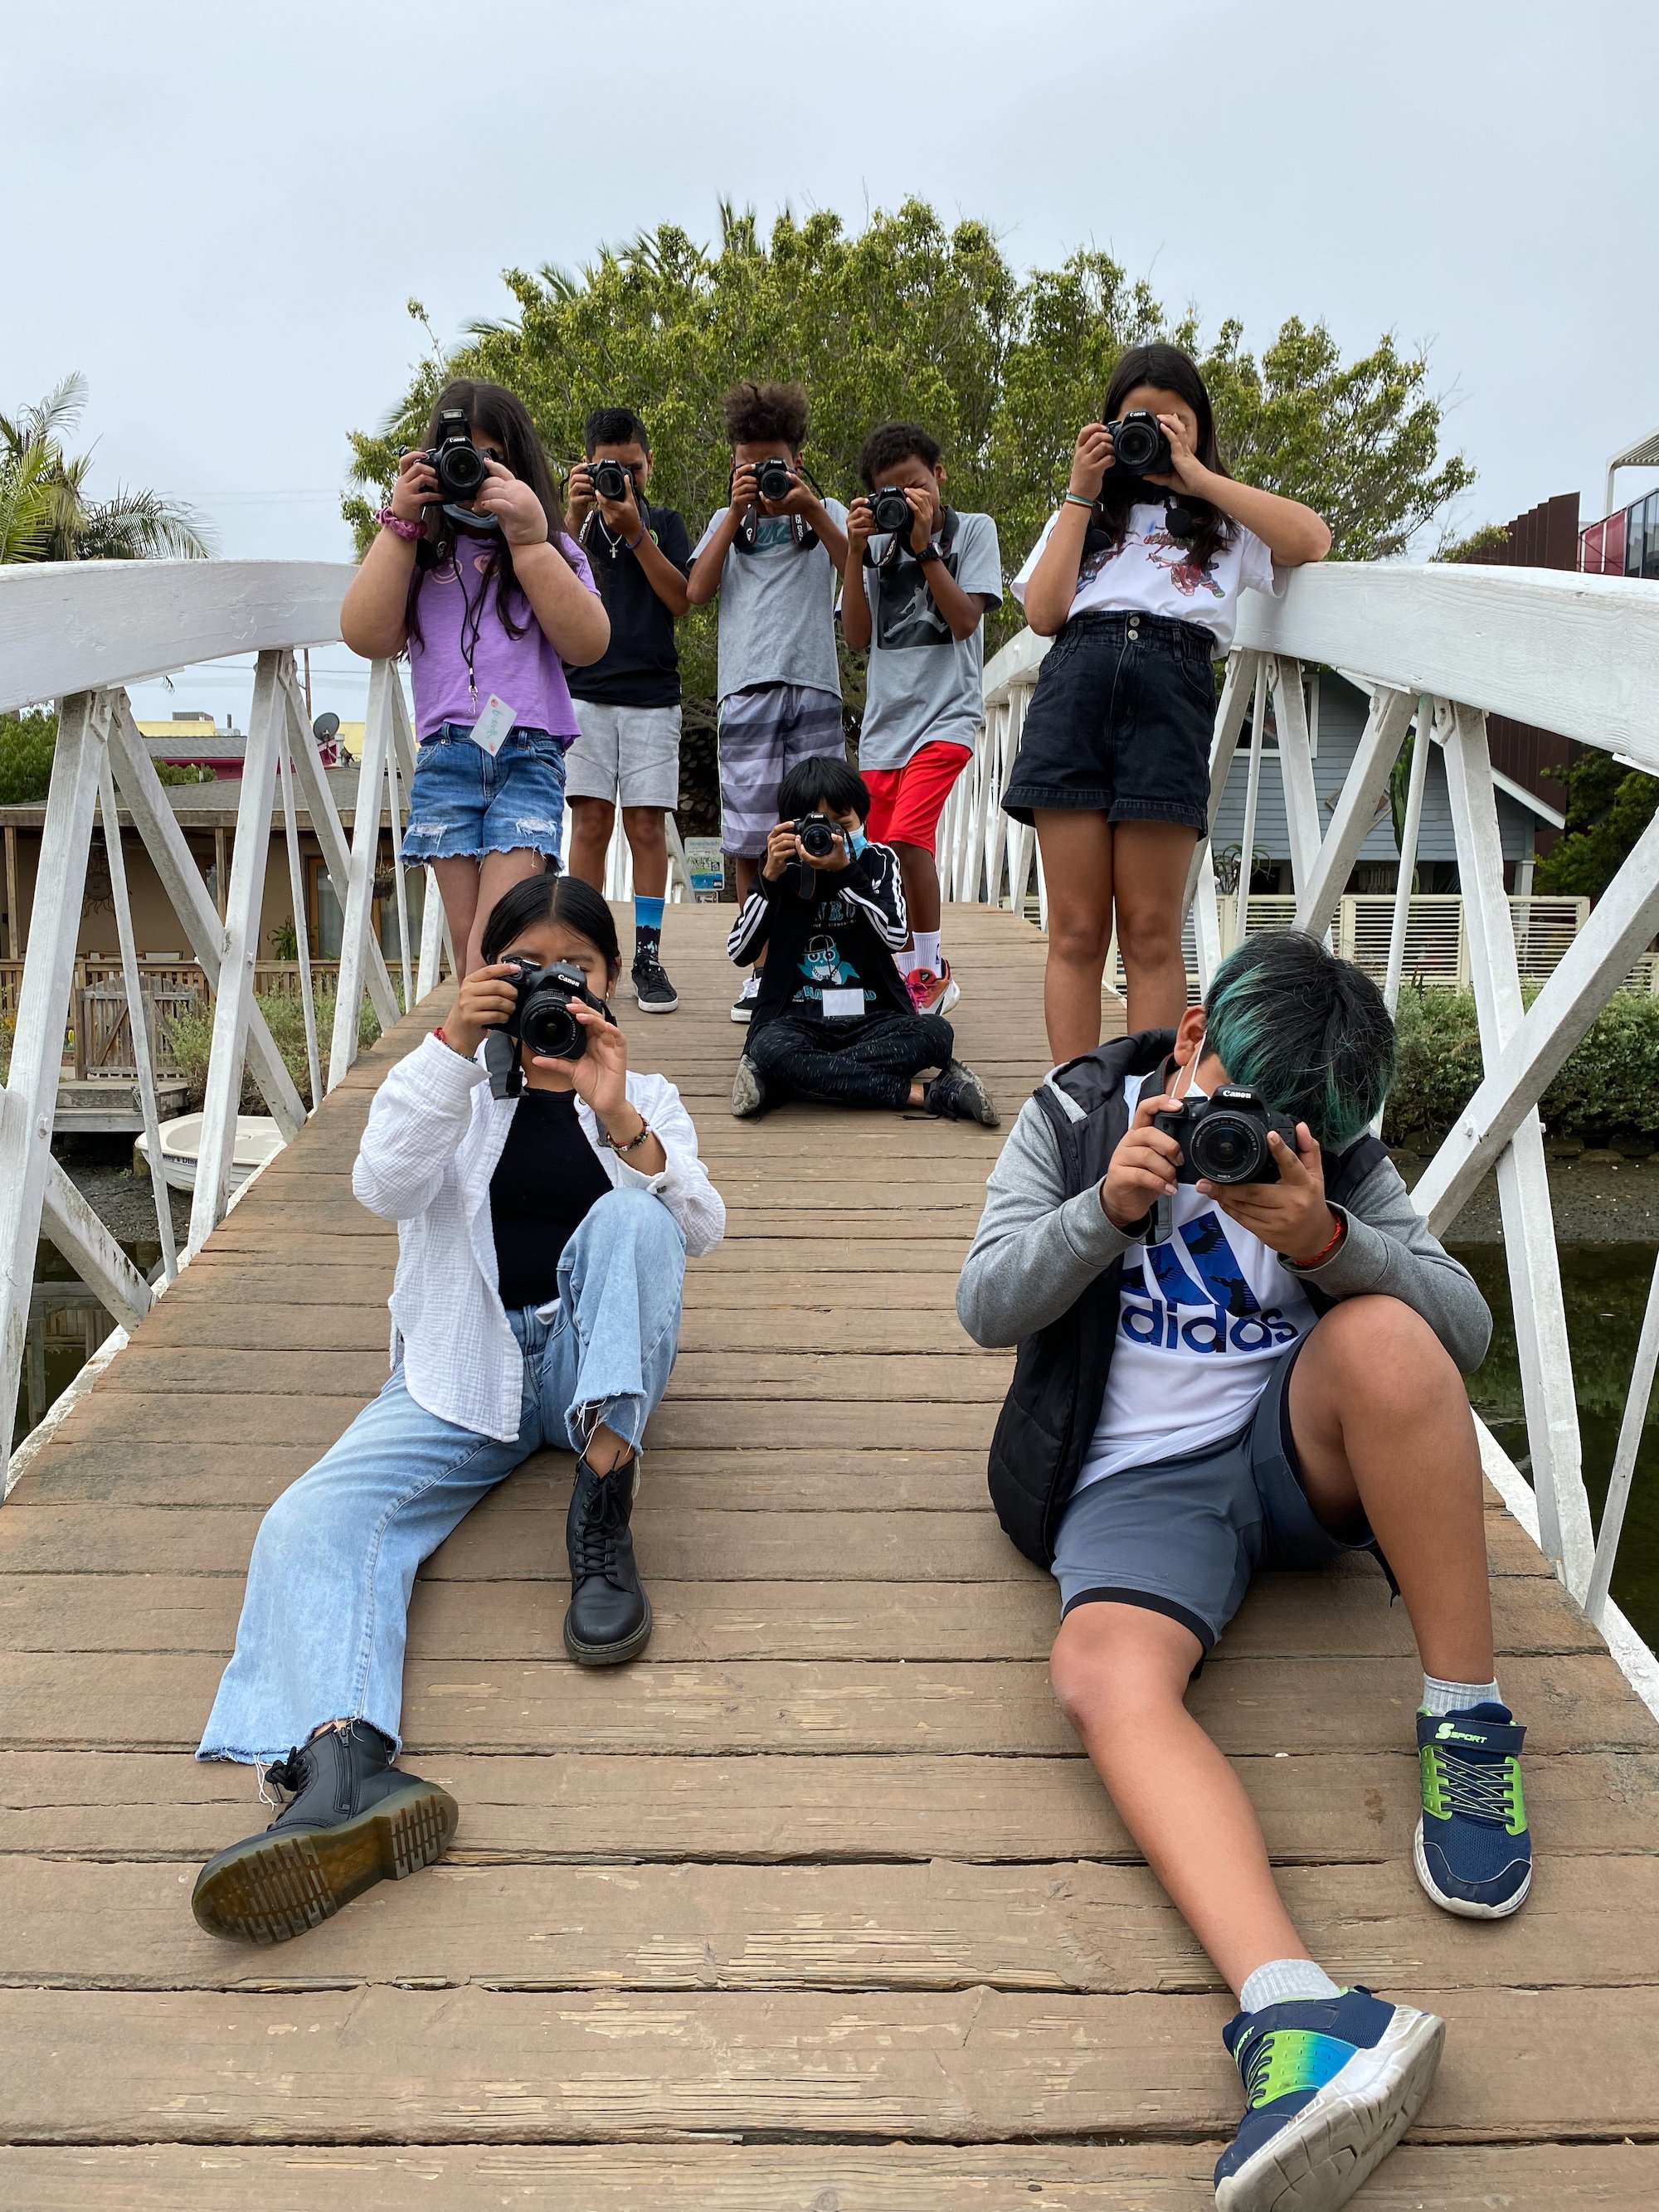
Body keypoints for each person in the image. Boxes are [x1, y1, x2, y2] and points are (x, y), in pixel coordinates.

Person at [957, 931, 1530, 2212]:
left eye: (1289, 1131)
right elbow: (986, 1300)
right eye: (1237, 1109)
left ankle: (1466, 1713)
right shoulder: (1079, 1110)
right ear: (1194, 1031)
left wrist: (1328, 1235)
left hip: (1293, 1445)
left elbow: (1466, 1337)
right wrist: (1103, 1207)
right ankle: (1297, 2010)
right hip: (1132, 1477)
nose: (1250, 1142)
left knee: (1392, 1339)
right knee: (1098, 1670)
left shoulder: (1333, 1144)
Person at [191, 872, 724, 1945]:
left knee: (641, 1222)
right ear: (487, 975)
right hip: (461, 1367)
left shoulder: (641, 1089)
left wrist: (615, 1112)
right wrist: (444, 1045)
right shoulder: (451, 1083)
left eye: (574, 971)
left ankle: (605, 1508)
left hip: (587, 1373)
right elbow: (381, 1184)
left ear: (611, 980)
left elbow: (698, 1228)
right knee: (309, 1518)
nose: (550, 994)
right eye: (525, 969)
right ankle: (342, 1764)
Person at [1006, 342, 1331, 1060]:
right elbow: (1044, 614)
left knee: (1151, 932)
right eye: (1135, 421)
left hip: (1170, 699)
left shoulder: (1226, 523)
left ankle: (1146, 1109)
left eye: (1172, 421)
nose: (1151, 433)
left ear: (1200, 429)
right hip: (1075, 694)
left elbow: (1312, 538)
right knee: (1076, 930)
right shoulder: (1086, 517)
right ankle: (1076, 1109)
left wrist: (1199, 477)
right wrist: (1080, 489)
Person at [341, 379, 610, 976]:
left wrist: (531, 542)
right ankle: (497, 1063)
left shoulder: (549, 548)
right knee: (473, 960)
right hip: (446, 766)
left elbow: (588, 642)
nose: (474, 474)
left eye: (492, 461)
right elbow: (366, 636)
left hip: (526, 756)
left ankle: (499, 1059)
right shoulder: (419, 553)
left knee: (496, 945)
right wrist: (400, 521)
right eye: (459, 458)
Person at [685, 380, 849, 1023]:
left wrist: (809, 508)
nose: (761, 474)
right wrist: (734, 512)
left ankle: (816, 962)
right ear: (733, 465)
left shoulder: (823, 509)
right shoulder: (727, 524)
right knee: (753, 841)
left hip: (814, 686)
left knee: (821, 829)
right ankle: (759, 967)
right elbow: (697, 590)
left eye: (772, 463)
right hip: (746, 691)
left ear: (798, 461)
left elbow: (852, 564)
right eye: (747, 464)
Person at [727, 756, 996, 1126]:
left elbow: (896, 935)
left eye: (842, 824)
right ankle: (928, 1095)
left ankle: (790, 1080)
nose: (828, 837)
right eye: (816, 827)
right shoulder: (780, 866)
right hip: (798, 1018)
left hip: (872, 1016)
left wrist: (847, 873)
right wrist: (769, 882)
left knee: (936, 1034)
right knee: (771, 1048)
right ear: (791, 827)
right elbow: (740, 951)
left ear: (863, 821)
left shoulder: (878, 861)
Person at [842, 422, 1003, 1018]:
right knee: (881, 859)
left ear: (939, 477)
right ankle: (901, 969)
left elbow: (964, 621)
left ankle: (931, 969)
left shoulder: (974, 531)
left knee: (910, 836)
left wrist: (925, 548)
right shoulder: (876, 549)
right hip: (885, 731)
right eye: (891, 493)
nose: (905, 500)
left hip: (946, 719)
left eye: (914, 485)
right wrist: (856, 551)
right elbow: (857, 636)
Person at [564, 406, 693, 1014]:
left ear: (650, 463)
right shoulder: (578, 528)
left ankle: (646, 954)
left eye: (633, 469)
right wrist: (572, 514)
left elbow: (682, 598)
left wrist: (637, 530)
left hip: (651, 694)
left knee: (646, 827)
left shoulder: (665, 522)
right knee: (590, 823)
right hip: (584, 690)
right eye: (608, 471)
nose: (623, 482)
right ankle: (585, 954)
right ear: (587, 467)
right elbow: (552, 586)